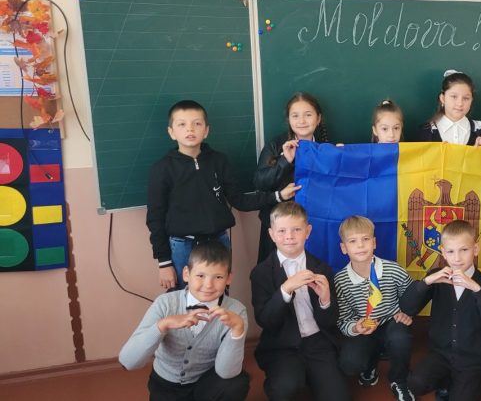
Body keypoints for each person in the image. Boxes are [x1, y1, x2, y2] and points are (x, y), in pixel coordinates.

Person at [146, 100, 299, 289]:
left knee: (218, 296)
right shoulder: (162, 169)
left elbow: (239, 200)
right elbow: (155, 218)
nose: (190, 129)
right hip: (182, 246)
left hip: (218, 242)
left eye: (197, 123)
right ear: (171, 132)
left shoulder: (219, 161)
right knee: (184, 299)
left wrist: (278, 196)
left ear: (206, 130)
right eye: (182, 124)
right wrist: (164, 262)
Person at [119, 240, 250, 401]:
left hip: (205, 383)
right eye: (200, 276)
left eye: (218, 277)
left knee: (237, 383)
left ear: (228, 278)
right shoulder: (165, 303)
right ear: (186, 274)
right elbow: (128, 361)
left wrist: (238, 330)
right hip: (166, 385)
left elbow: (227, 372)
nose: (208, 285)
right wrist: (163, 325)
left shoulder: (237, 311)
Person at [250, 201, 350, 401]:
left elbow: (329, 321)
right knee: (285, 388)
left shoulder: (322, 268)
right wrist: (285, 289)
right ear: (271, 234)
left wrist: (325, 299)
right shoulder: (261, 272)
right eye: (282, 231)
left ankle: (314, 376)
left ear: (308, 232)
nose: (289, 236)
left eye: (297, 229)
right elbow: (265, 320)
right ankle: (293, 378)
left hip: (318, 343)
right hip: (282, 346)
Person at [400, 220, 481, 400]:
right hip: (440, 354)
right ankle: (446, 381)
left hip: (471, 360)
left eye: (464, 250)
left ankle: (468, 383)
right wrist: (426, 282)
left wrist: (476, 289)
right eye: (450, 251)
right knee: (415, 383)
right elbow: (407, 307)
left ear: (476, 249)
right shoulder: (437, 278)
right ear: (443, 252)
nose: (457, 258)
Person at [334, 215, 414, 400]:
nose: (360, 245)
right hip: (364, 329)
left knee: (400, 338)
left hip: (392, 323)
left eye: (365, 239)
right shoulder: (340, 281)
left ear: (374, 243)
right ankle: (371, 363)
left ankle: (399, 379)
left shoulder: (393, 269)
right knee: (349, 363)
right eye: (353, 241)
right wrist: (356, 327)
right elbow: (343, 319)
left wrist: (407, 314)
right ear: (344, 248)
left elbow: (412, 297)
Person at [254, 93, 329, 262]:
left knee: (311, 268)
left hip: (313, 223)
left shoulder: (326, 148)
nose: (302, 121)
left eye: (308, 115)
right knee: (276, 272)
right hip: (279, 226)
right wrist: (285, 161)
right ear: (288, 119)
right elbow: (260, 182)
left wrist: (340, 159)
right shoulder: (275, 145)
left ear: (318, 119)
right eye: (295, 116)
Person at [418, 70, 481, 146]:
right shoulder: (426, 131)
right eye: (454, 96)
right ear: (443, 98)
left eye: (466, 98)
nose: (460, 103)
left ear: (471, 100)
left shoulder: (480, 130)